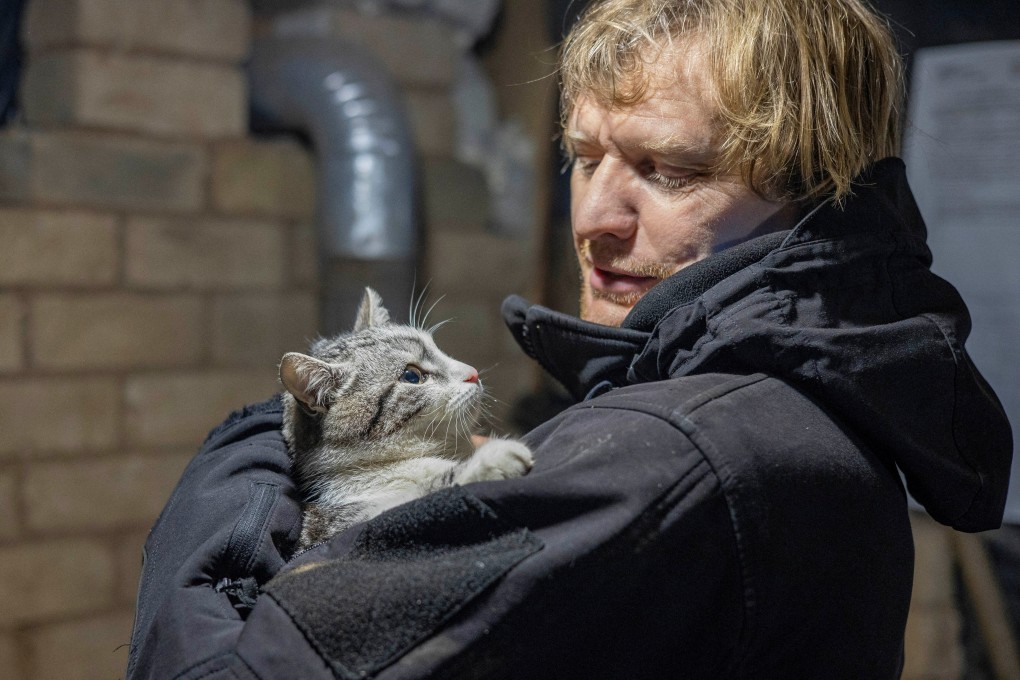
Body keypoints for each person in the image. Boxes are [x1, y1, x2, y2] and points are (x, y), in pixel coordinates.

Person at [126, 0, 1013, 678]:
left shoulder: (674, 453)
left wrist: (263, 441)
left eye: (670, 171)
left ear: (819, 185)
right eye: (587, 159)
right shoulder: (823, 392)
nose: (594, 217)